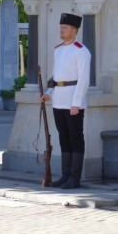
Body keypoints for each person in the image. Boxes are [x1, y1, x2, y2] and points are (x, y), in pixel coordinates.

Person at [40, 13, 91, 189]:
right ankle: (65, 175)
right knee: (63, 138)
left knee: (75, 138)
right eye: (61, 27)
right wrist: (49, 92)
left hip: (72, 101)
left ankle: (74, 177)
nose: (62, 30)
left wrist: (76, 103)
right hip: (59, 100)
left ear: (74, 30)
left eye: (65, 27)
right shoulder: (58, 49)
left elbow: (83, 80)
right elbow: (56, 76)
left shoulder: (81, 51)